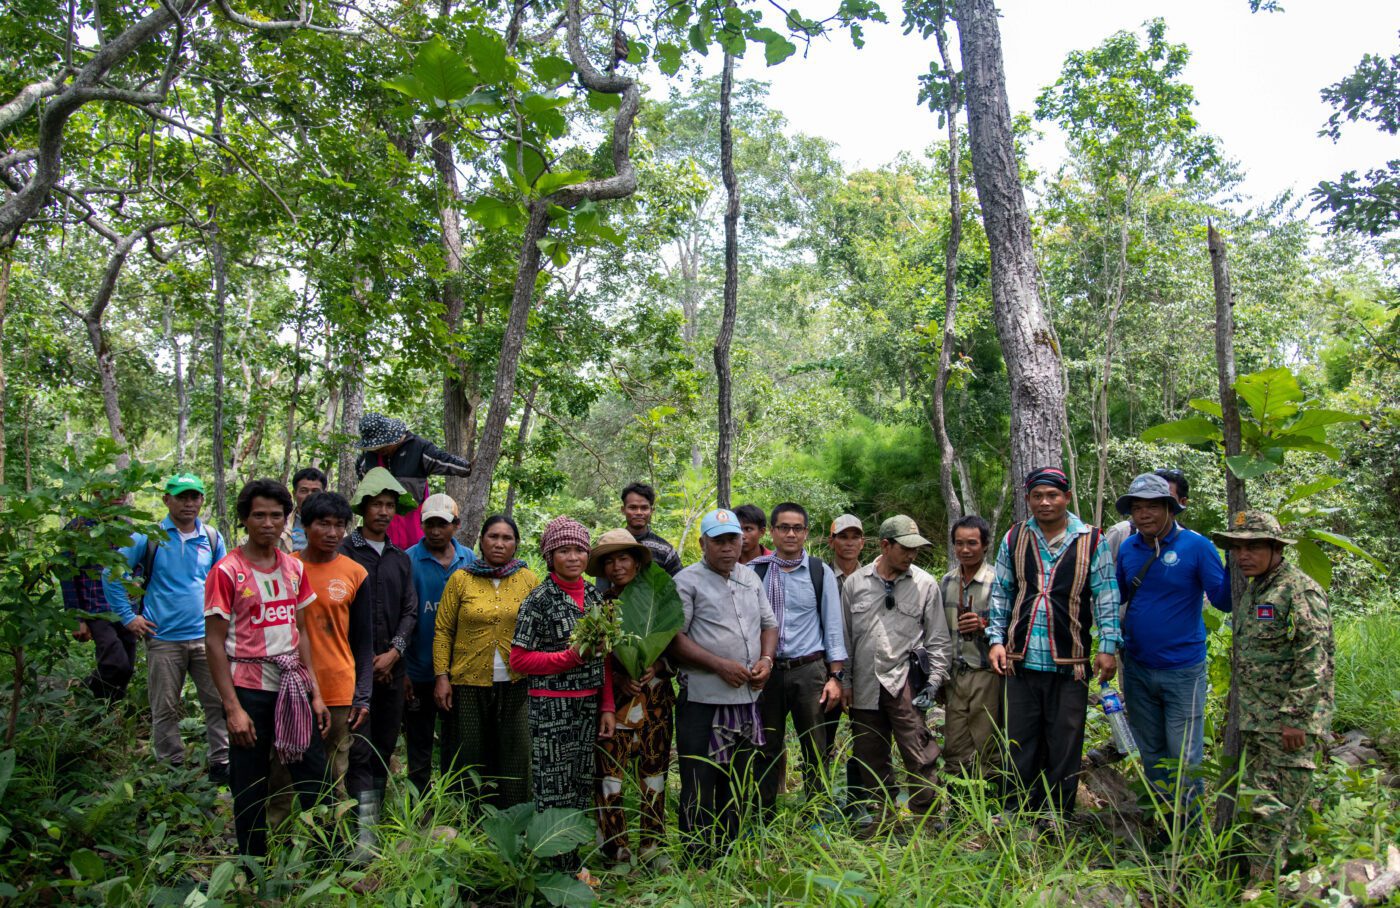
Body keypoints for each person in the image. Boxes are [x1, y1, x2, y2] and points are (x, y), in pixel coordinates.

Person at [204, 479, 331, 857]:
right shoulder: (227, 571)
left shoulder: (293, 567)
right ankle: (252, 868)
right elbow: (213, 642)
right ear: (244, 519)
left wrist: (317, 693)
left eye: (277, 515)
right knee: (250, 783)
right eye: (259, 515)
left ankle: (329, 862)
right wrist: (232, 708)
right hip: (248, 689)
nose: (268, 523)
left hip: (293, 686)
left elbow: (302, 631)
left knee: (314, 776)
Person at [987, 467, 1121, 824]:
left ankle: (1056, 815)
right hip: (1021, 658)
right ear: (1028, 499)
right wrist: (996, 640)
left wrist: (1107, 646)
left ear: (1067, 497)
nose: (1044, 502)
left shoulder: (1092, 540)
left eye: (1052, 495)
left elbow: (1107, 595)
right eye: (1037, 496)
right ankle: (1014, 811)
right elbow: (1001, 592)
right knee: (1019, 739)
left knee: (1065, 742)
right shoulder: (1015, 537)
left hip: (1070, 660)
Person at [1211, 511, 1332, 881]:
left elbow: (1315, 658)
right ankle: (1286, 884)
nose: (1243, 555)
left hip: (1287, 726)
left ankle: (1260, 891)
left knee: (1273, 810)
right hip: (1257, 721)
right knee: (1264, 807)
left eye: (1254, 546)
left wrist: (1295, 717)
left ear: (1276, 548)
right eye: (1237, 548)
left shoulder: (1298, 589)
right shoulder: (1256, 590)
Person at [1114, 473, 1229, 814]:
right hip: (1137, 667)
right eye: (1136, 508)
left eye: (1151, 506)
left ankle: (1188, 833)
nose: (1143, 514)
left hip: (1183, 671)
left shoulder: (1197, 547)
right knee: (1151, 752)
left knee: (1184, 755)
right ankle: (1162, 828)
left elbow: (1223, 600)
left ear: (1170, 507)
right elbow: (1116, 595)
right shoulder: (1128, 549)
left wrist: (1242, 563)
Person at [102, 473, 229, 781]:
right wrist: (128, 616)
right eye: (182, 496)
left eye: (195, 496)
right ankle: (171, 765)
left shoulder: (211, 537)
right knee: (165, 706)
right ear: (166, 500)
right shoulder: (147, 537)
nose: (189, 503)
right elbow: (112, 573)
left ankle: (221, 762)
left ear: (201, 500)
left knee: (218, 702)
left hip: (205, 638)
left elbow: (224, 580)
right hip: (163, 638)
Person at [669, 508, 777, 860]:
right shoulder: (686, 582)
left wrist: (766, 660)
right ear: (703, 543)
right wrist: (718, 665)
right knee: (700, 778)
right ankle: (697, 856)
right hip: (703, 699)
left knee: (738, 777)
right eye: (718, 541)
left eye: (733, 539)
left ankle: (731, 850)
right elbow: (674, 637)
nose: (728, 547)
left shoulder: (750, 577)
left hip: (745, 700)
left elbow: (769, 624)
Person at [265, 491, 373, 828]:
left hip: (338, 687)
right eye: (322, 524)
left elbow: (363, 640)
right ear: (305, 525)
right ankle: (274, 844)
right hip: (289, 687)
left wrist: (363, 693)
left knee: (334, 774)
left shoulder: (355, 573)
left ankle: (327, 852)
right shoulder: (285, 569)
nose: (331, 532)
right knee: (282, 770)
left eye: (339, 525)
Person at [840, 515, 950, 830]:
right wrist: (845, 682)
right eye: (905, 548)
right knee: (870, 754)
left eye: (916, 549)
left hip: (906, 681)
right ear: (885, 546)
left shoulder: (925, 584)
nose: (912, 555)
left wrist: (933, 681)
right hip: (864, 683)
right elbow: (845, 639)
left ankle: (925, 820)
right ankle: (883, 819)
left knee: (919, 752)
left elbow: (938, 640)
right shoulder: (855, 584)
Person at [510, 517, 616, 823]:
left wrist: (607, 706)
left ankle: (574, 861)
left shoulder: (597, 598)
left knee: (581, 782)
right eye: (564, 550)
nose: (573, 557)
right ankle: (553, 862)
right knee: (553, 785)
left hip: (588, 704)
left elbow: (604, 658)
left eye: (579, 550)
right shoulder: (538, 601)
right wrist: (568, 658)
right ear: (550, 557)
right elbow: (519, 660)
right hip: (551, 707)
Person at [434, 515, 539, 809]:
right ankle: (466, 819)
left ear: (516, 544)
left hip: (517, 682)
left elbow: (540, 627)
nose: (500, 543)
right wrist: (442, 676)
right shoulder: (461, 579)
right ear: (481, 540)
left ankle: (513, 818)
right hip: (467, 681)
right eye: (493, 536)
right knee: (468, 752)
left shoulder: (528, 580)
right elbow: (443, 630)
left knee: (515, 752)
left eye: (507, 538)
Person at [340, 467, 418, 851]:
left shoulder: (400, 558)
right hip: (351, 671)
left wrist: (394, 652)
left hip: (392, 668)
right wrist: (367, 660)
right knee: (356, 750)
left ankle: (373, 832)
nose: (384, 512)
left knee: (383, 748)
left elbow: (410, 609)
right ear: (363, 508)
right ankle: (357, 837)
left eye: (390, 505)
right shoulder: (342, 552)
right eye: (377, 505)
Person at [749, 503, 846, 813]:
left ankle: (817, 813)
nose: (790, 534)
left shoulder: (819, 572)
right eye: (783, 527)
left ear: (806, 533)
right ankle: (764, 814)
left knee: (815, 746)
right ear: (773, 532)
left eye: (797, 528)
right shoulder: (756, 571)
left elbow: (832, 625)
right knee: (766, 746)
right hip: (768, 673)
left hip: (810, 671)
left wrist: (835, 677)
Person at [589, 529, 675, 869]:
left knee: (654, 772)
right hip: (616, 704)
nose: (616, 566)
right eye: (608, 561)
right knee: (610, 776)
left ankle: (652, 845)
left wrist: (658, 665)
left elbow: (679, 648)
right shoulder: (599, 606)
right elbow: (593, 655)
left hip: (655, 701)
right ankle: (614, 848)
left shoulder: (661, 600)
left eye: (623, 558)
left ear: (637, 563)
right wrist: (619, 680)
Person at [404, 494, 475, 795]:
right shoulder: (408, 559)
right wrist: (402, 671)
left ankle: (453, 801)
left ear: (456, 526)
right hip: (418, 668)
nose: (435, 531)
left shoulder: (469, 560)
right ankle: (420, 803)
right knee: (418, 743)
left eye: (442, 524)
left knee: (455, 741)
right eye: (429, 524)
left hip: (460, 670)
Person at [938, 514, 1002, 775]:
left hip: (986, 673)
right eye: (959, 543)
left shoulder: (998, 581)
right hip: (955, 674)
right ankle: (959, 806)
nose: (965, 549)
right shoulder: (947, 582)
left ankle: (993, 804)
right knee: (955, 742)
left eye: (972, 543)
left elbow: (1011, 626)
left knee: (988, 739)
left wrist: (983, 625)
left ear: (985, 544)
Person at [355, 413, 471, 550]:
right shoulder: (368, 458)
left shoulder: (418, 448)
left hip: (413, 523)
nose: (379, 450)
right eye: (375, 447)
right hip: (382, 525)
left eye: (382, 446)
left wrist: (468, 468)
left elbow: (445, 461)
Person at [62, 513, 135, 702]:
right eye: (109, 489)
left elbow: (137, 562)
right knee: (115, 663)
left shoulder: (126, 525)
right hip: (95, 608)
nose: (117, 494)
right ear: (95, 492)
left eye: (120, 488)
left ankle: (107, 714)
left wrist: (136, 583)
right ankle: (83, 696)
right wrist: (77, 619)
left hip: (125, 609)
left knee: (127, 667)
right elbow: (67, 576)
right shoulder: (77, 528)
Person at [1106, 468, 1190, 560]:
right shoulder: (1122, 535)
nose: (1144, 515)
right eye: (1137, 508)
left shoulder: (1194, 544)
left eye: (1153, 506)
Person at [619, 483, 683, 576]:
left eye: (644, 508)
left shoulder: (665, 550)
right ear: (623, 510)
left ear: (652, 511)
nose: (639, 512)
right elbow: (602, 588)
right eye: (633, 507)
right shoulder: (611, 545)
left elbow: (678, 584)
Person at [280, 467, 328, 554]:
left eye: (315, 491)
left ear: (324, 494)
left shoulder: (335, 525)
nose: (309, 496)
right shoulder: (282, 523)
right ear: (294, 495)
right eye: (304, 491)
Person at [827, 514, 866, 587]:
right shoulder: (821, 576)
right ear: (831, 542)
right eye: (843, 537)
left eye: (855, 537)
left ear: (862, 543)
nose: (850, 543)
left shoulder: (870, 577)